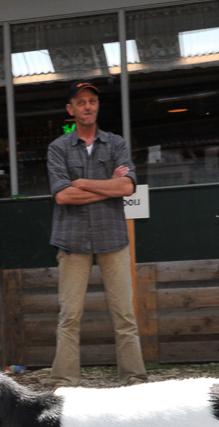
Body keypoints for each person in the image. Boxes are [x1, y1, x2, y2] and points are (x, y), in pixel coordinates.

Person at [47, 80, 148, 388]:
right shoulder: (58, 148)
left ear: (97, 106)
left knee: (124, 316)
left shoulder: (115, 143)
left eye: (91, 101)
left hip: (112, 239)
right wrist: (108, 187)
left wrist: (82, 183)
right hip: (72, 240)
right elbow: (62, 196)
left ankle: (134, 380)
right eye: (81, 102)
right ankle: (66, 385)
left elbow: (128, 187)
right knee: (70, 317)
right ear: (71, 109)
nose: (87, 106)